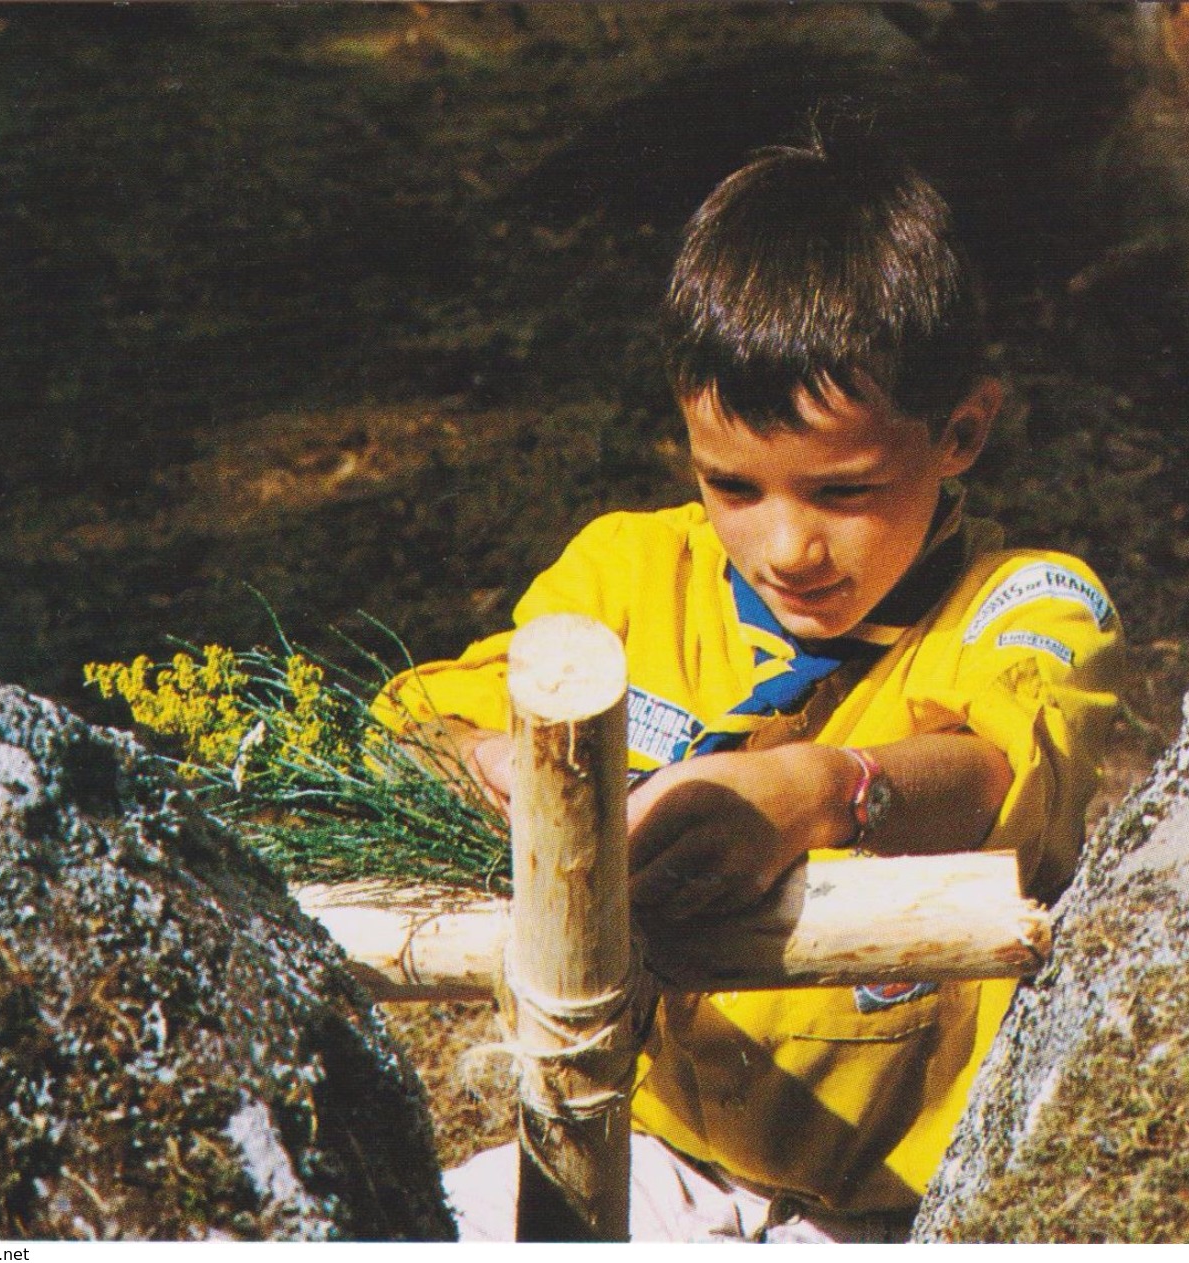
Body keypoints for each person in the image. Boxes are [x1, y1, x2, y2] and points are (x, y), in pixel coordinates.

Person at [374, 128, 1124, 1242]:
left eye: (842, 491)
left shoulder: (1025, 601)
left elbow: (1009, 764)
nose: (785, 548)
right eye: (733, 485)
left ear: (960, 430)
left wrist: (828, 791)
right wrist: (500, 762)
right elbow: (417, 717)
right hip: (655, 1147)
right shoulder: (630, 573)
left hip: (902, 1200)